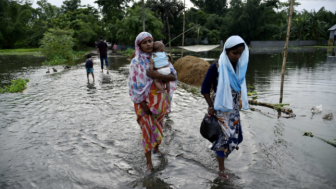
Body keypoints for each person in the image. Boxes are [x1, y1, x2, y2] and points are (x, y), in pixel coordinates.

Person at [201, 35, 249, 180]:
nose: (238, 56)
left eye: (240, 53)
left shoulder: (240, 67)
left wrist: (240, 101)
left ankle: (219, 154)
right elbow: (204, 89)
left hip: (233, 110)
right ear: (226, 51)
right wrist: (211, 106)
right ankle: (221, 170)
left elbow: (238, 87)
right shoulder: (216, 67)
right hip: (220, 109)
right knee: (222, 140)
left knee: (236, 137)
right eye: (235, 53)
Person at [128, 32, 177, 174]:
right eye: (145, 42)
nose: (148, 44)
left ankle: (156, 148)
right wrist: (143, 105)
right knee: (147, 132)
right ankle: (149, 163)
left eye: (150, 41)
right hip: (143, 104)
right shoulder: (136, 63)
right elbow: (133, 86)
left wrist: (159, 76)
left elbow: (173, 75)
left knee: (159, 127)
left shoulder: (160, 57)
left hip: (159, 103)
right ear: (139, 46)